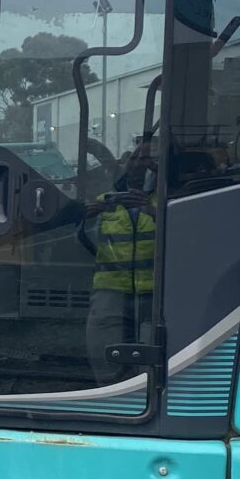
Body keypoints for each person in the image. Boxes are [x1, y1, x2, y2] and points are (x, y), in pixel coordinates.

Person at [87, 140, 158, 382]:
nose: (139, 164)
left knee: (152, 367)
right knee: (104, 356)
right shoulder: (105, 200)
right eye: (135, 158)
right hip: (110, 295)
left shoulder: (172, 201)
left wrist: (153, 212)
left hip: (156, 297)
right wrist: (88, 214)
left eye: (147, 159)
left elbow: (189, 239)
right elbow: (81, 239)